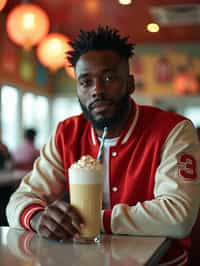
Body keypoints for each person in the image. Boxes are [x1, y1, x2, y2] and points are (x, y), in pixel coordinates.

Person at [6, 26, 200, 265]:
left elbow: (178, 216)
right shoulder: (67, 133)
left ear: (129, 84)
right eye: (85, 82)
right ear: (78, 90)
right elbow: (20, 199)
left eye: (108, 78)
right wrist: (37, 217)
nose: (96, 90)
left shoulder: (173, 130)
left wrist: (90, 220)